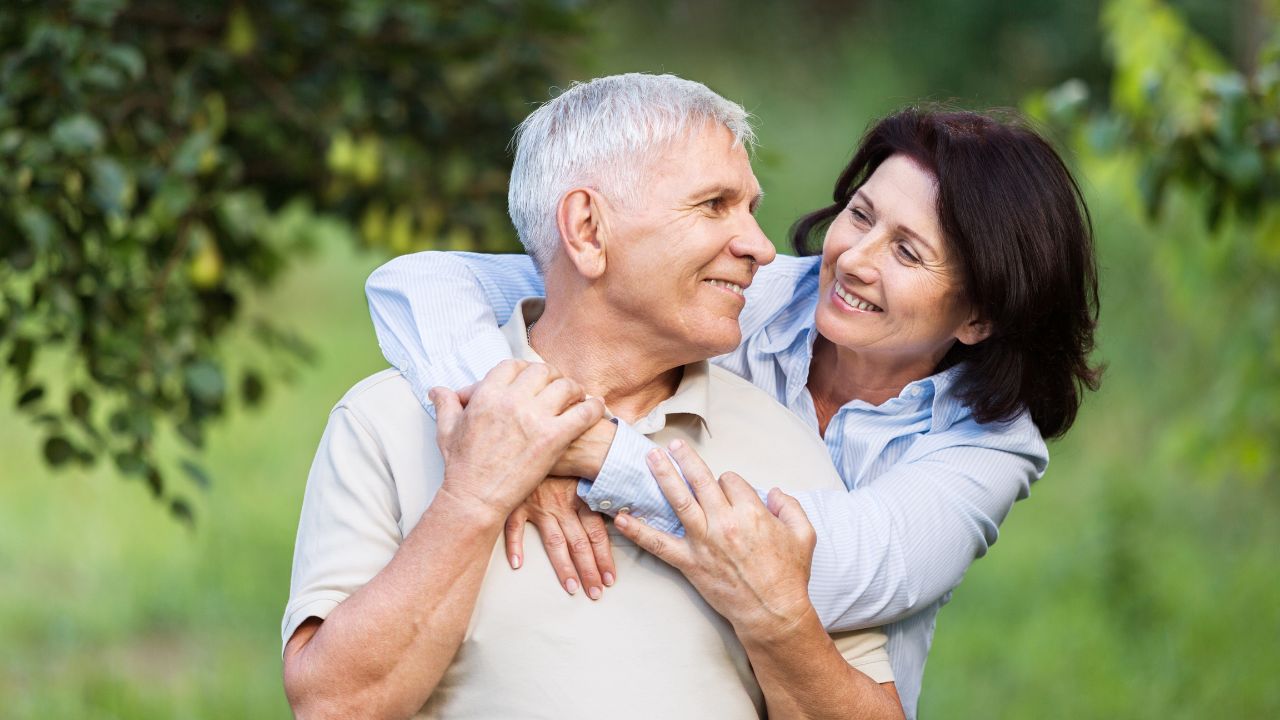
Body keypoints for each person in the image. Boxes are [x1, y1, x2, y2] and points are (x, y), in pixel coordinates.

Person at [364, 100, 1101, 717]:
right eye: (861, 214)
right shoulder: (745, 296)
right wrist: (517, 420)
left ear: (977, 316)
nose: (854, 259)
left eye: (908, 253)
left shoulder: (991, 447)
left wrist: (585, 449)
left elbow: (815, 566)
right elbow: (420, 285)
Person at [283, 73, 904, 719]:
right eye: (714, 205)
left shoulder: (785, 448)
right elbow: (334, 707)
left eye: (750, 208)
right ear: (586, 228)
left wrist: (778, 620)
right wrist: (474, 497)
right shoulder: (385, 421)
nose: (761, 247)